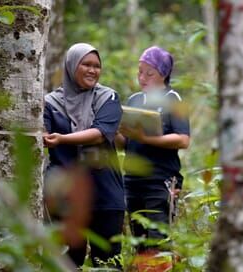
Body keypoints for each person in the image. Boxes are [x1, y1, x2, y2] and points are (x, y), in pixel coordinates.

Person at [43, 43, 125, 268]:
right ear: (71, 67)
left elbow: (101, 133)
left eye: (97, 66)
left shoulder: (108, 97)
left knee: (107, 262)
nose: (93, 70)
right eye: (86, 64)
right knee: (67, 262)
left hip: (105, 195)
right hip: (65, 197)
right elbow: (41, 132)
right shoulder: (50, 103)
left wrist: (62, 138)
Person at [116, 46, 190, 253]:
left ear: (164, 74)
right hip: (132, 181)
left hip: (160, 181)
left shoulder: (173, 98)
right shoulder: (134, 100)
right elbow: (125, 145)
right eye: (140, 71)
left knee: (158, 242)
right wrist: (114, 132)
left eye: (150, 73)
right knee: (139, 243)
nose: (142, 77)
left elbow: (183, 139)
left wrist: (146, 138)